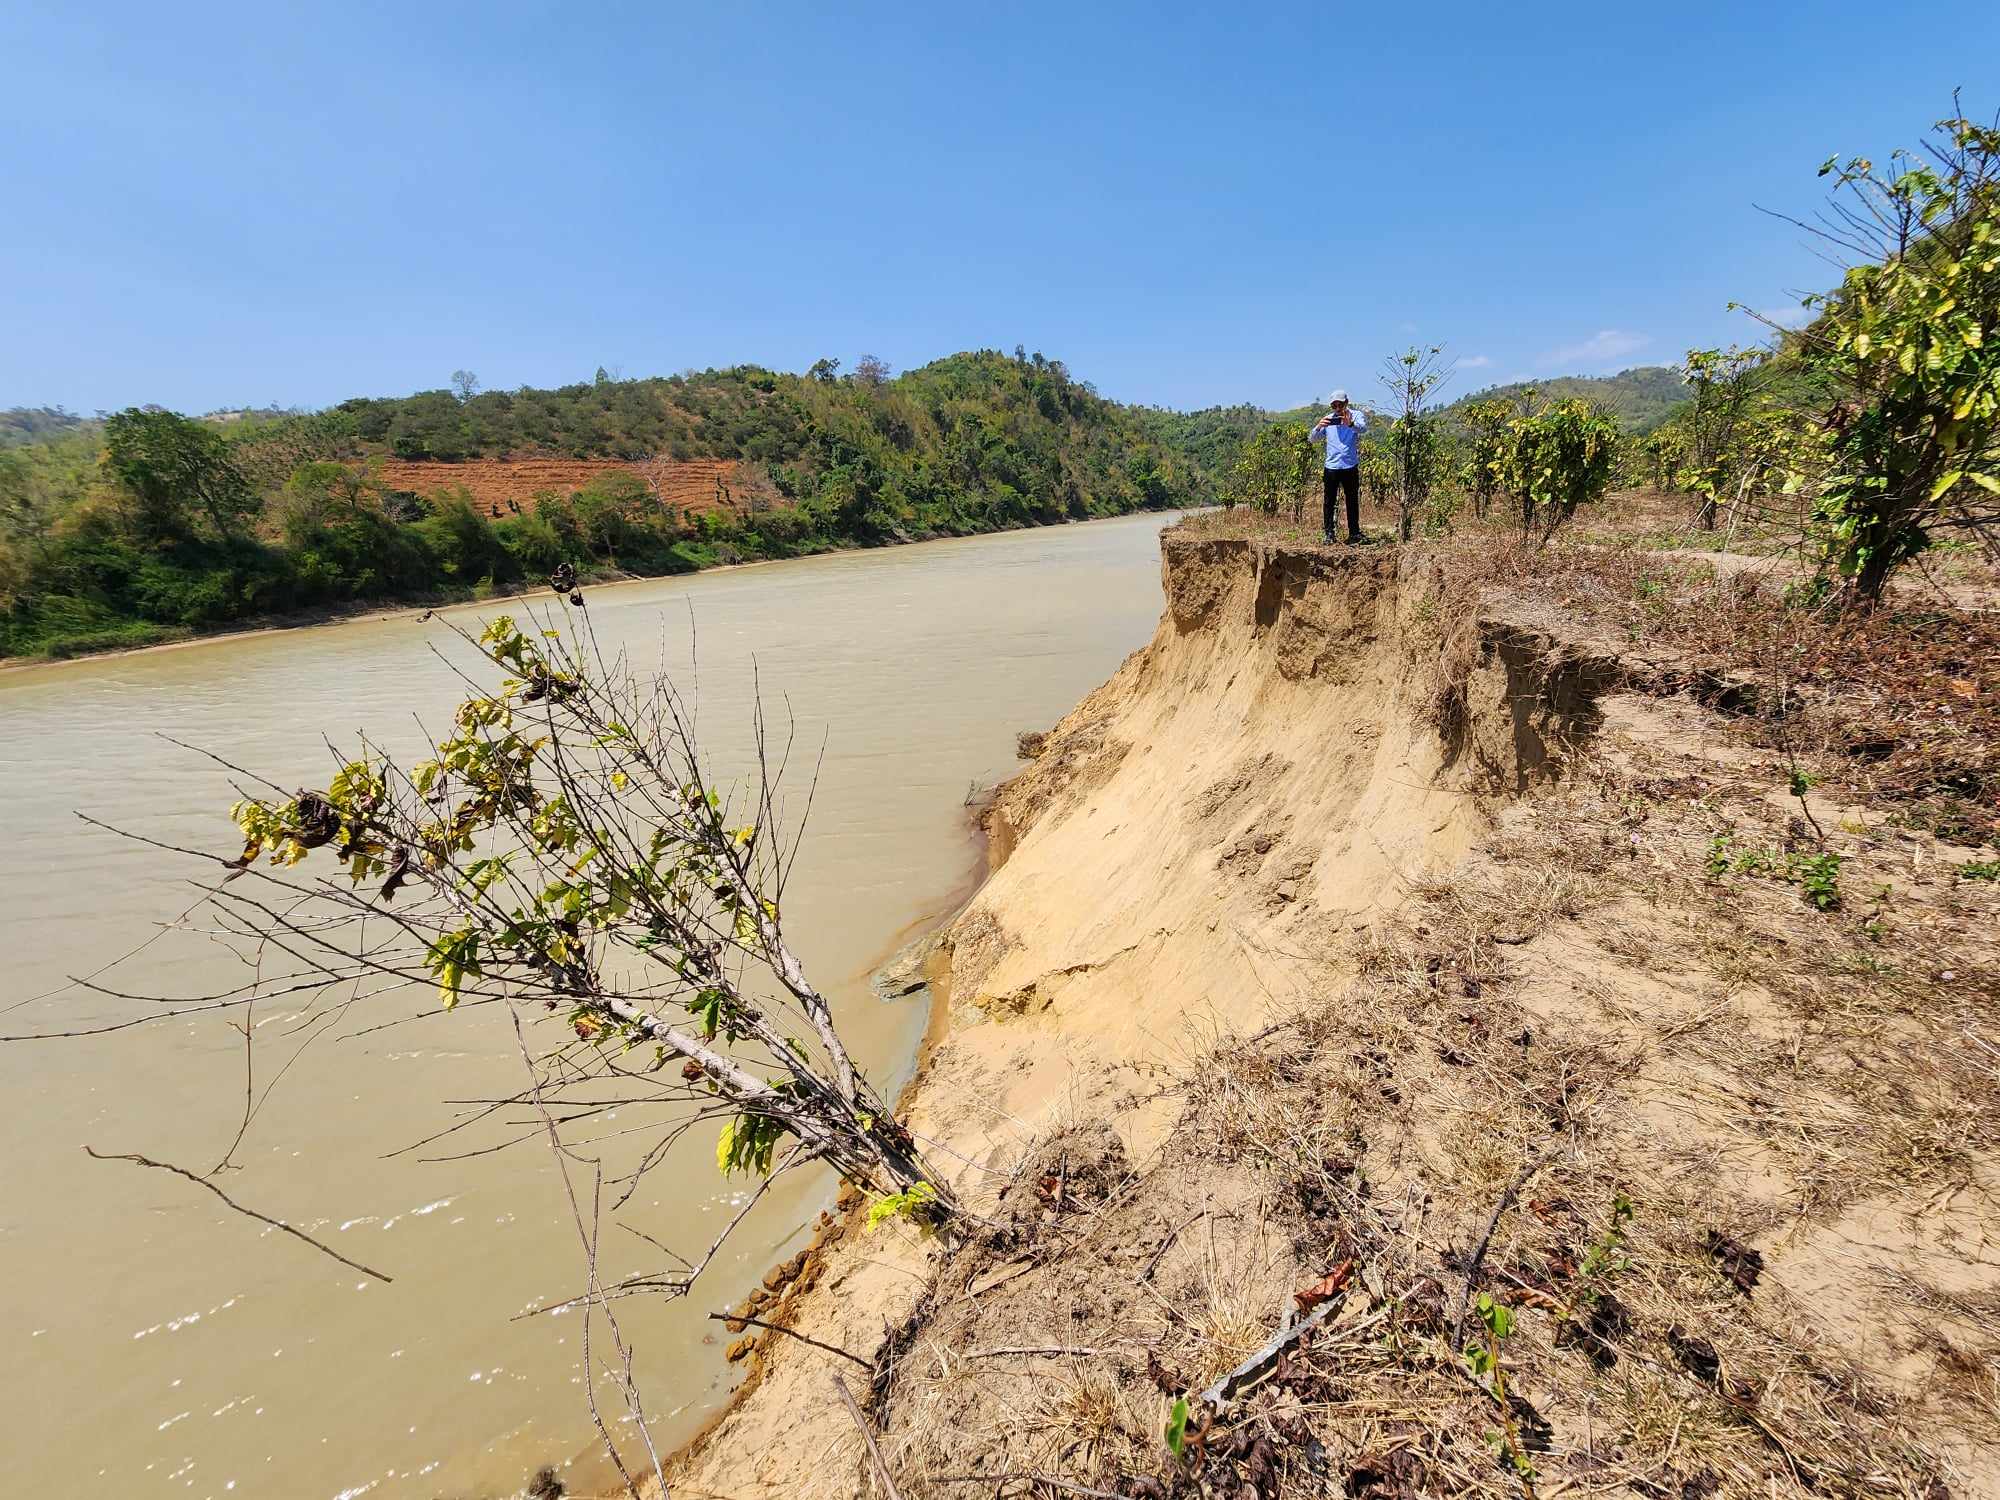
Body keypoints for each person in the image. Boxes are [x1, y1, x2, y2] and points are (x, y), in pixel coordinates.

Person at [1308, 391, 1369, 544]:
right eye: (1334, 405)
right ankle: (1329, 534)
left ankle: (1354, 533)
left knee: (1352, 501)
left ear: (1346, 403)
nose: (1337, 408)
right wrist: (1318, 427)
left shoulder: (1355, 415)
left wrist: (1351, 424)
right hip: (1331, 467)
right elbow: (1312, 439)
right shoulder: (1329, 420)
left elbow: (1363, 429)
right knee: (1329, 501)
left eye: (1340, 404)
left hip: (1350, 466)